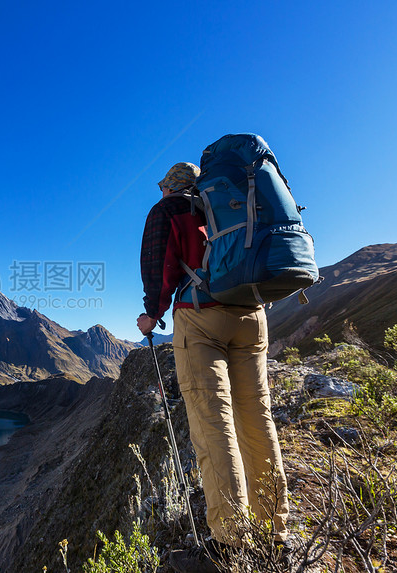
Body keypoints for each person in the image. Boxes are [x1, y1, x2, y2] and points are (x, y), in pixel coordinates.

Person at [137, 162, 290, 572]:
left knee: (213, 423)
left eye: (163, 187)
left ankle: (231, 545)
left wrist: (152, 314)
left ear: (170, 186)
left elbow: (159, 270)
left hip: (201, 318)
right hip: (252, 316)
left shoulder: (169, 210)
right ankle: (276, 534)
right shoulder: (233, 205)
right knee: (257, 419)